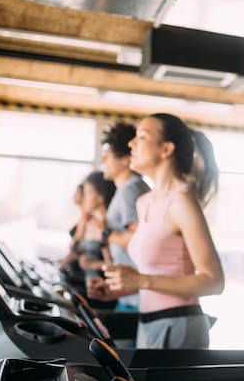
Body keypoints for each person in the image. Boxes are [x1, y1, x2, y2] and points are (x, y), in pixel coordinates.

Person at [88, 113, 224, 349]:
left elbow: (213, 282)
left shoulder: (182, 201)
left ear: (166, 149)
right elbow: (155, 274)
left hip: (180, 324)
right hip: (149, 321)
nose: (131, 143)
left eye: (142, 137)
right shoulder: (144, 202)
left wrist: (140, 279)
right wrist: (116, 291)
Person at [99, 121, 151, 311]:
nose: (103, 160)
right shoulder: (125, 190)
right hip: (129, 294)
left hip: (137, 298)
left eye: (109, 154)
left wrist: (105, 233)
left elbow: (142, 239)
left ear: (124, 159)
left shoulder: (131, 189)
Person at [72, 170, 118, 309]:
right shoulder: (89, 221)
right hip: (91, 286)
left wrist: (93, 264)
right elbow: (75, 250)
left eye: (88, 193)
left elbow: (117, 263)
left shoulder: (110, 226)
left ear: (100, 196)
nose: (83, 198)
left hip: (107, 291)